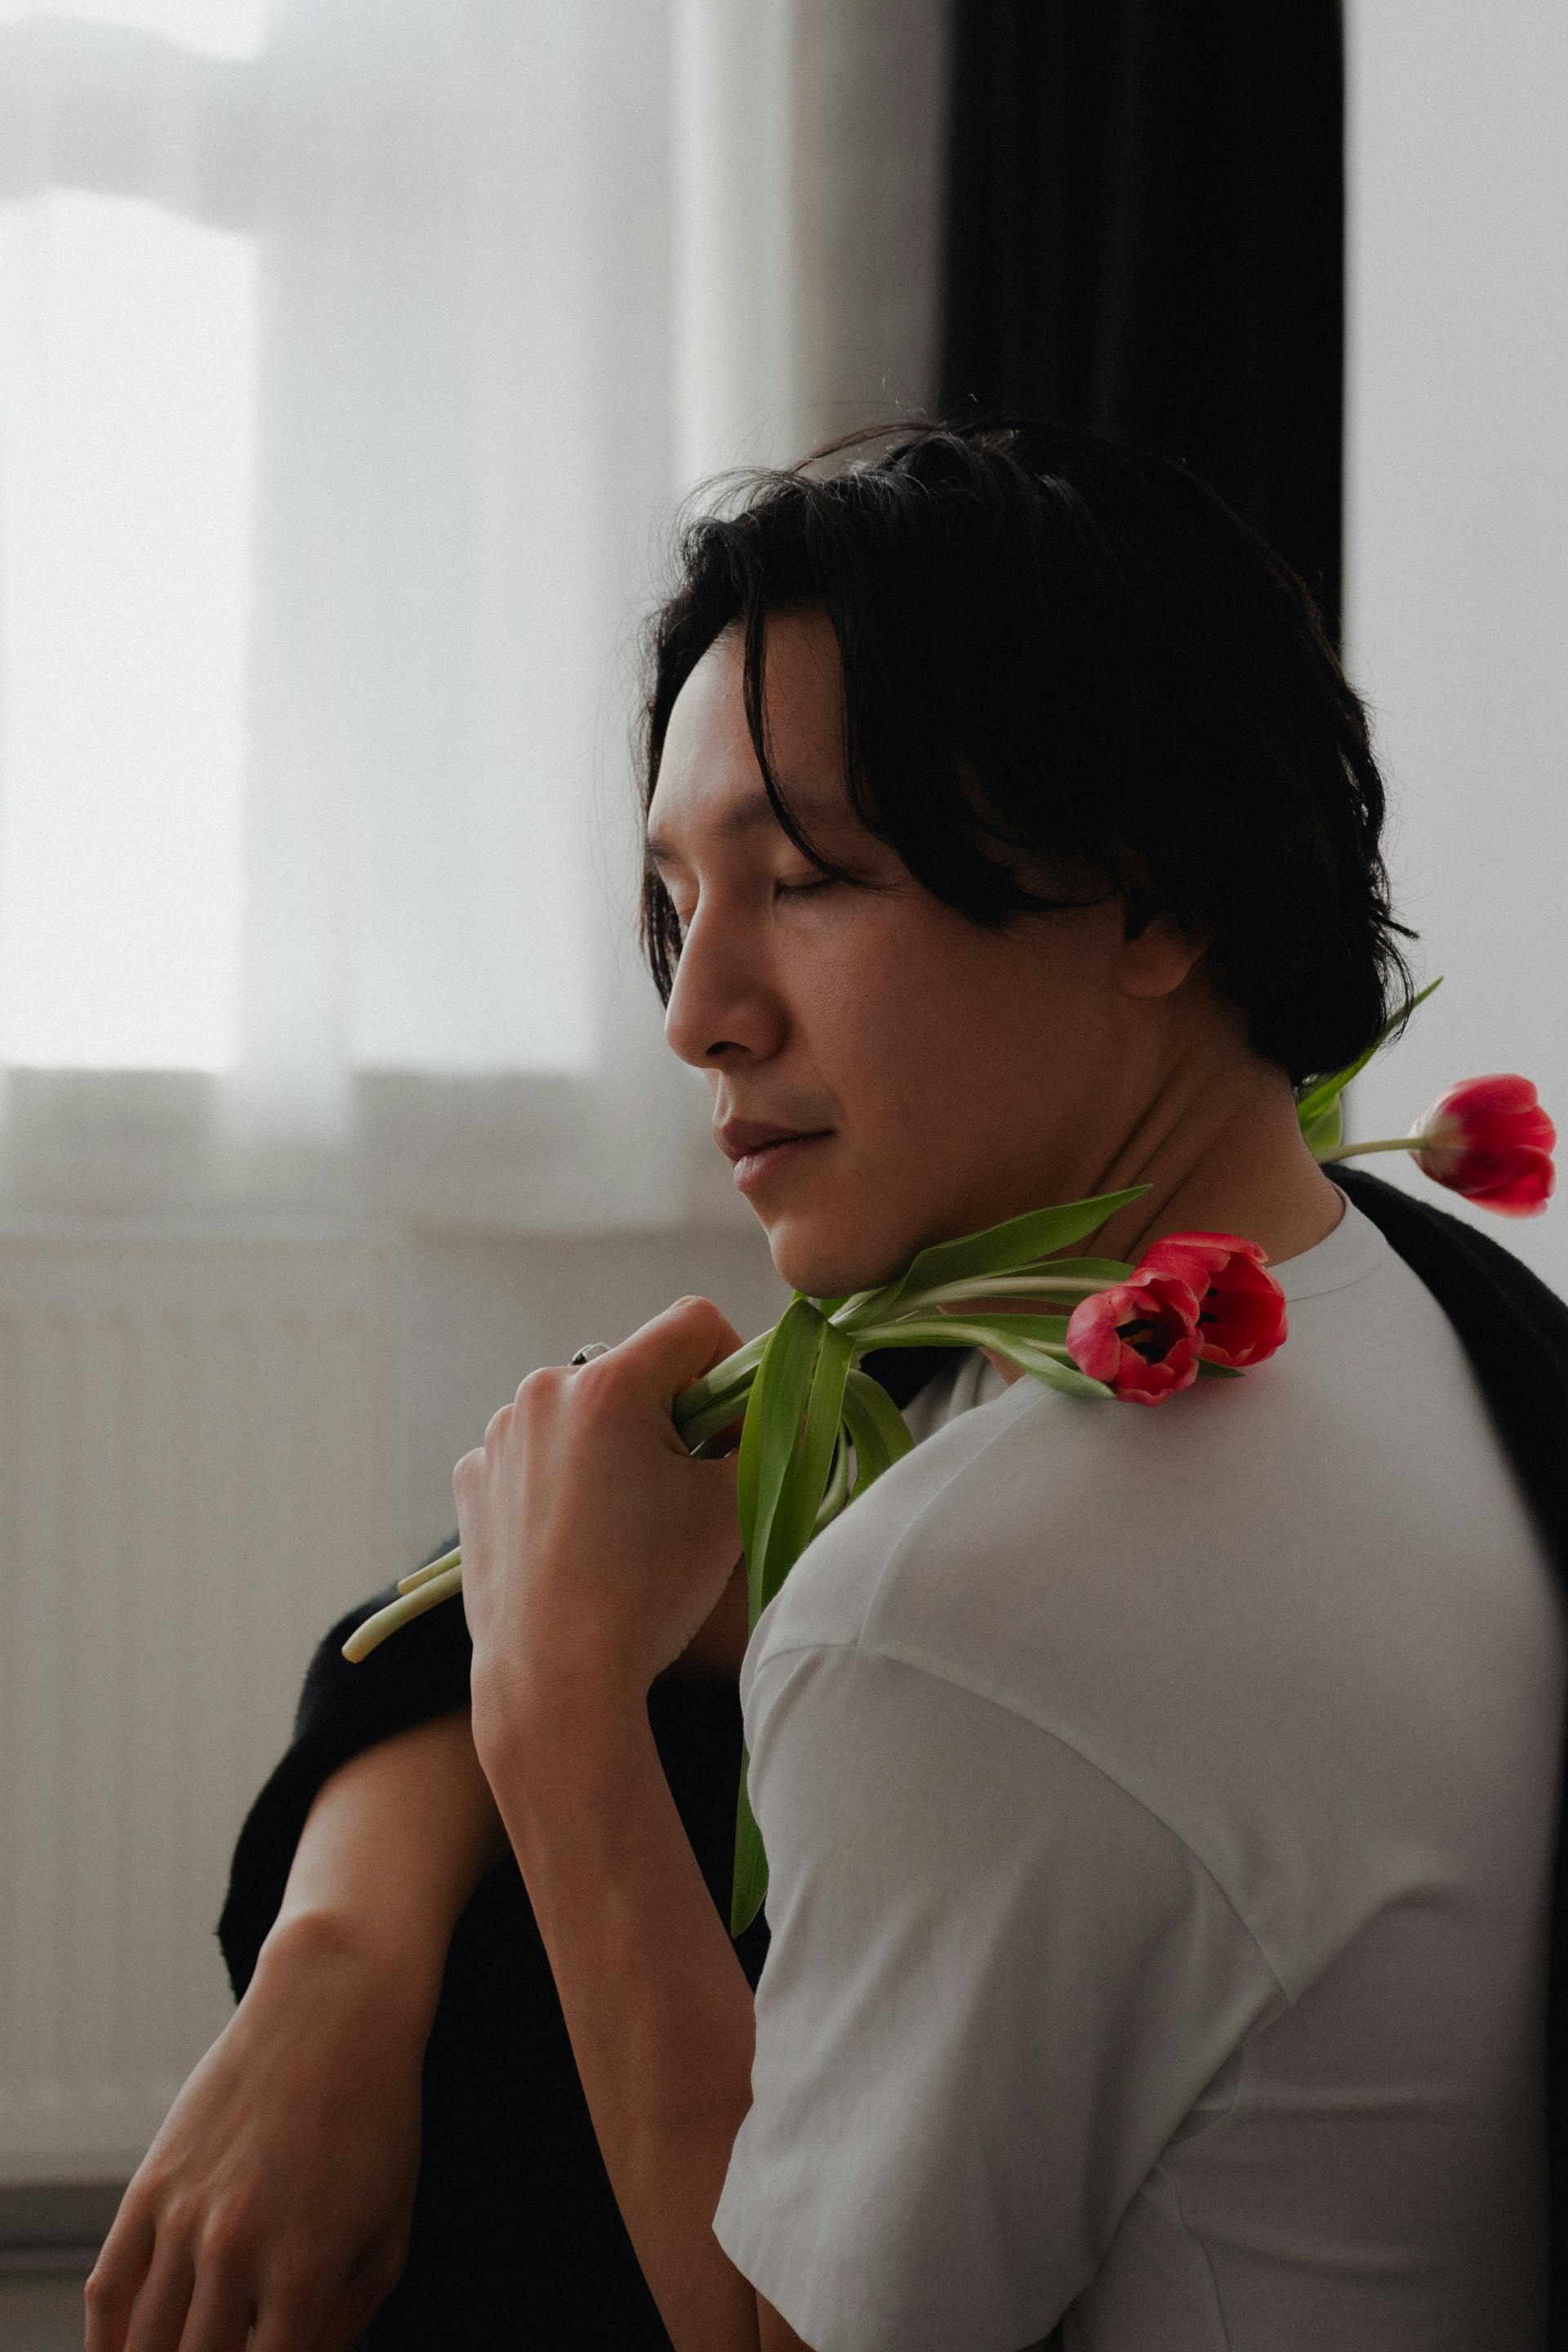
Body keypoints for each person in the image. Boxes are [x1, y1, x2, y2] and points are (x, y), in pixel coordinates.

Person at [87, 416, 1566, 2350]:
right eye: (679, 903)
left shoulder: (992, 1597)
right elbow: (498, 1611)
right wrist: (344, 1955)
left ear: (1153, 899)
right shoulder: (1414, 1304)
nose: (702, 1012)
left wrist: (558, 1712)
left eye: (804, 880)